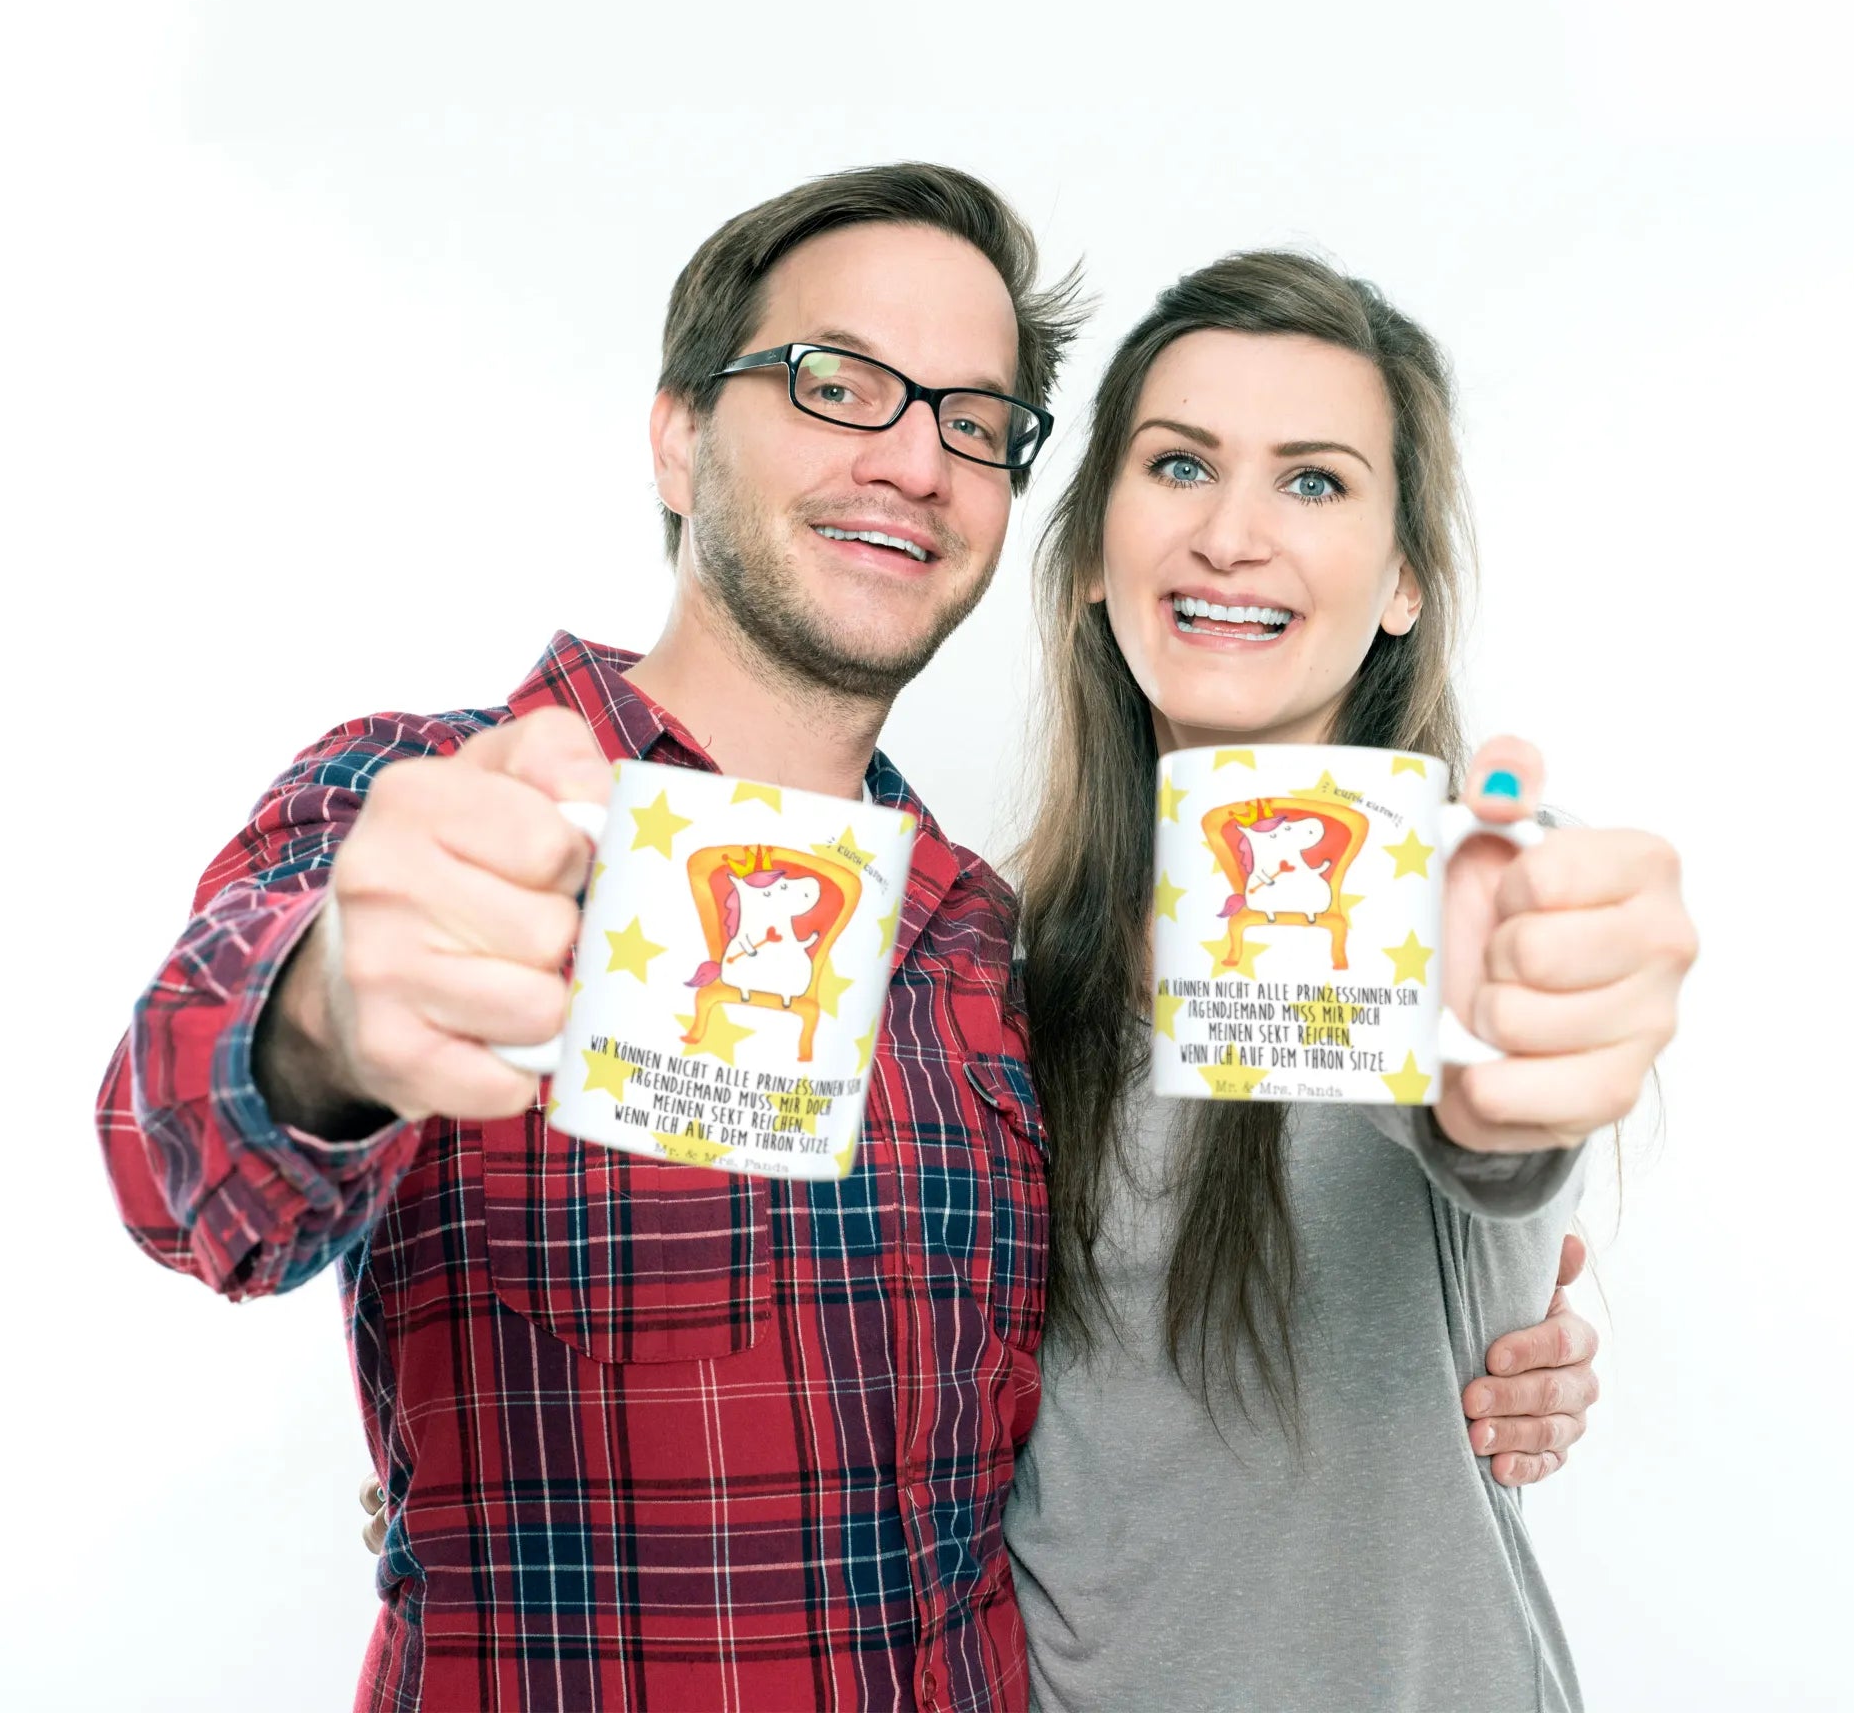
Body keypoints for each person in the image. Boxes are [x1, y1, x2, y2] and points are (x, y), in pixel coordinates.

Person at [99, 164, 1606, 1712]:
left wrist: (1501, 1283)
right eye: (838, 384)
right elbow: (178, 1153)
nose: (913, 459)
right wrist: (327, 1022)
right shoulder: (437, 807)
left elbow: (1415, 1165)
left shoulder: (980, 948)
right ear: (680, 433)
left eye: (972, 420)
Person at [1005, 252, 1697, 1709]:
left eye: (1313, 482)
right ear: (1090, 555)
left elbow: (1491, 1123)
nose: (1232, 535)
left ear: (1402, 584)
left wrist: (1524, 1060)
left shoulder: (1459, 896)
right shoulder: (999, 964)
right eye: (1180, 464)